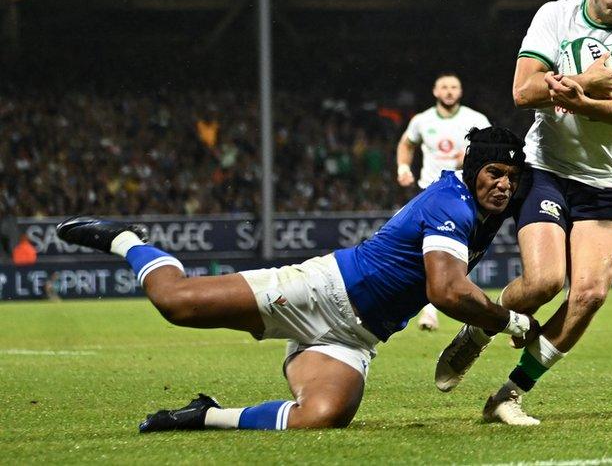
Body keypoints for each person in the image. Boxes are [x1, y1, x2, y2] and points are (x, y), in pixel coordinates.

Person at [57, 127, 541, 432]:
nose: (503, 184)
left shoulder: (489, 204)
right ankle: (127, 239)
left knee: (322, 417)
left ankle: (204, 414)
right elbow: (446, 290)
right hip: (319, 292)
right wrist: (506, 320)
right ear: (475, 170)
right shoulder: (451, 204)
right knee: (174, 302)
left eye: (511, 178)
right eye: (494, 173)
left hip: (358, 336)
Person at [435, 0, 612, 426]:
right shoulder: (555, 16)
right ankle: (479, 331)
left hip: (606, 180)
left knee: (589, 295)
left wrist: (583, 103)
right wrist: (583, 85)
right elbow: (524, 90)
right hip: (547, 168)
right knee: (544, 282)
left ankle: (509, 395)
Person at [396, 73, 491, 331]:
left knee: (462, 254)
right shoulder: (421, 120)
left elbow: (490, 152)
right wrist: (403, 167)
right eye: (444, 87)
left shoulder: (476, 120)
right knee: (428, 253)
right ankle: (429, 310)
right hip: (431, 193)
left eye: (454, 87)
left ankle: (464, 305)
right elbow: (406, 143)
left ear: (460, 92)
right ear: (435, 92)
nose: (449, 91)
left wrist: (471, 157)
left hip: (464, 192)